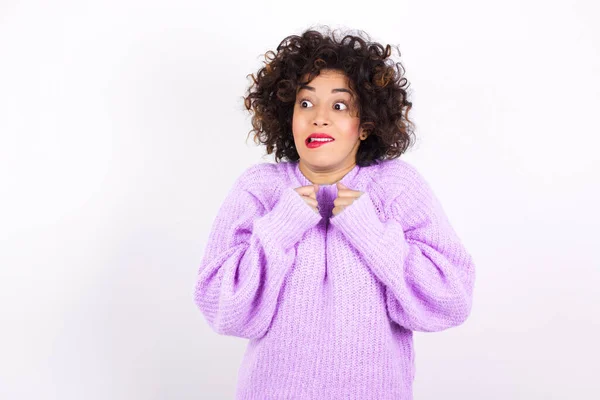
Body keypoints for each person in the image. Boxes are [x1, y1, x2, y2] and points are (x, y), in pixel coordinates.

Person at [193, 26, 476, 400]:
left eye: (339, 106)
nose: (319, 118)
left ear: (365, 126)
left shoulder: (397, 187)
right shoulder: (258, 189)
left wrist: (373, 235)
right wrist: (278, 229)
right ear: (287, 115)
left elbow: (452, 299)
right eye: (305, 104)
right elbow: (223, 309)